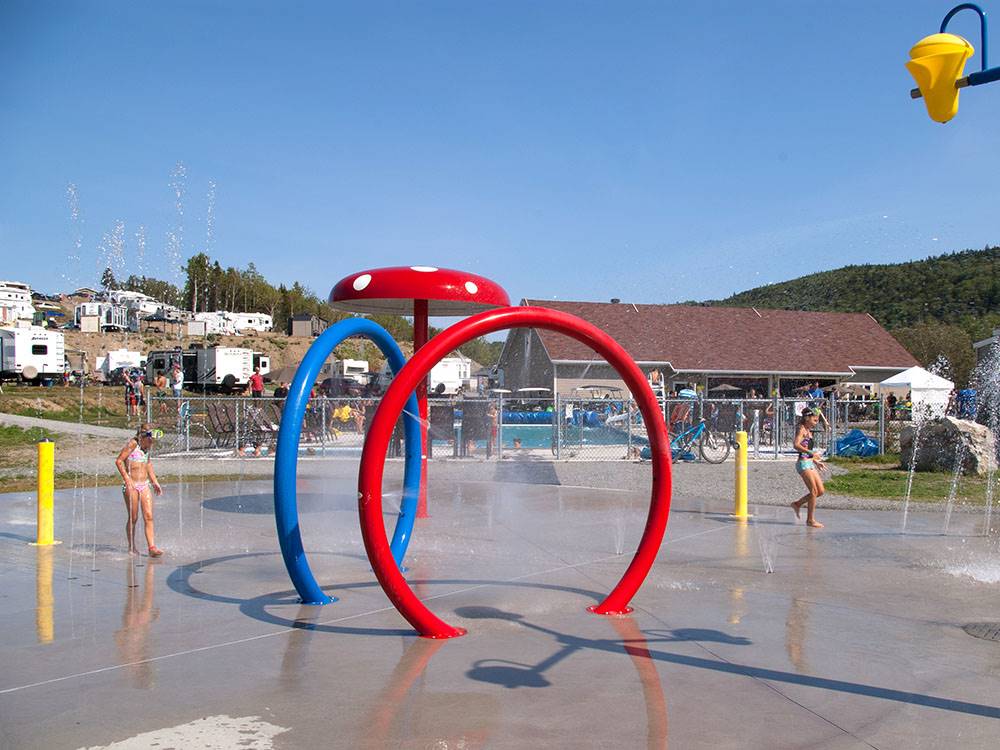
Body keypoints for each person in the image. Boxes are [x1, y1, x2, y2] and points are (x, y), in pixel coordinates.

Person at [115, 423, 164, 557]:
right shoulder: (133, 444)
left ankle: (152, 548)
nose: (151, 441)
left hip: (144, 484)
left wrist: (155, 482)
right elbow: (119, 461)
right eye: (149, 438)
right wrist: (127, 478)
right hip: (131, 485)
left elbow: (148, 464)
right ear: (142, 436)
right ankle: (132, 547)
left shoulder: (147, 447)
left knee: (148, 516)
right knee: (134, 517)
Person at [791, 407, 826, 528]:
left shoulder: (808, 430)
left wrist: (816, 461)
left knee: (820, 491)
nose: (816, 422)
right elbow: (796, 445)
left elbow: (807, 450)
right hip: (803, 464)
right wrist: (812, 454)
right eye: (814, 420)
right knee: (813, 491)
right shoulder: (802, 429)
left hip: (809, 462)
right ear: (807, 418)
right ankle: (810, 520)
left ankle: (798, 504)